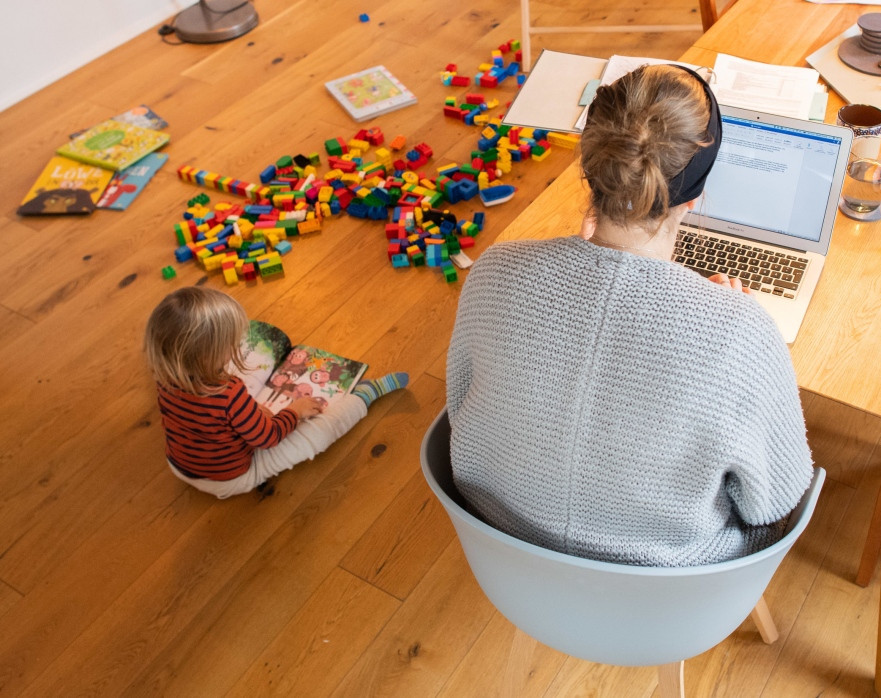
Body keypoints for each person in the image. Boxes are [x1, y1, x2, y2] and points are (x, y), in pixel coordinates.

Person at [446, 64, 813, 567]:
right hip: (670, 592)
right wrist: (732, 327)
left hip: (501, 550)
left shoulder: (493, 272)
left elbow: (461, 405)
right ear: (696, 194)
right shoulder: (742, 334)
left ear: (589, 166)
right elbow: (774, 502)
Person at [144, 287, 408, 499]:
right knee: (317, 435)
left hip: (178, 466)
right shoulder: (228, 394)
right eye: (229, 345)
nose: (236, 345)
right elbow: (267, 437)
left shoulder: (164, 377)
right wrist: (293, 412)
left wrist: (251, 413)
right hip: (231, 479)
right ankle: (364, 395)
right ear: (207, 355)